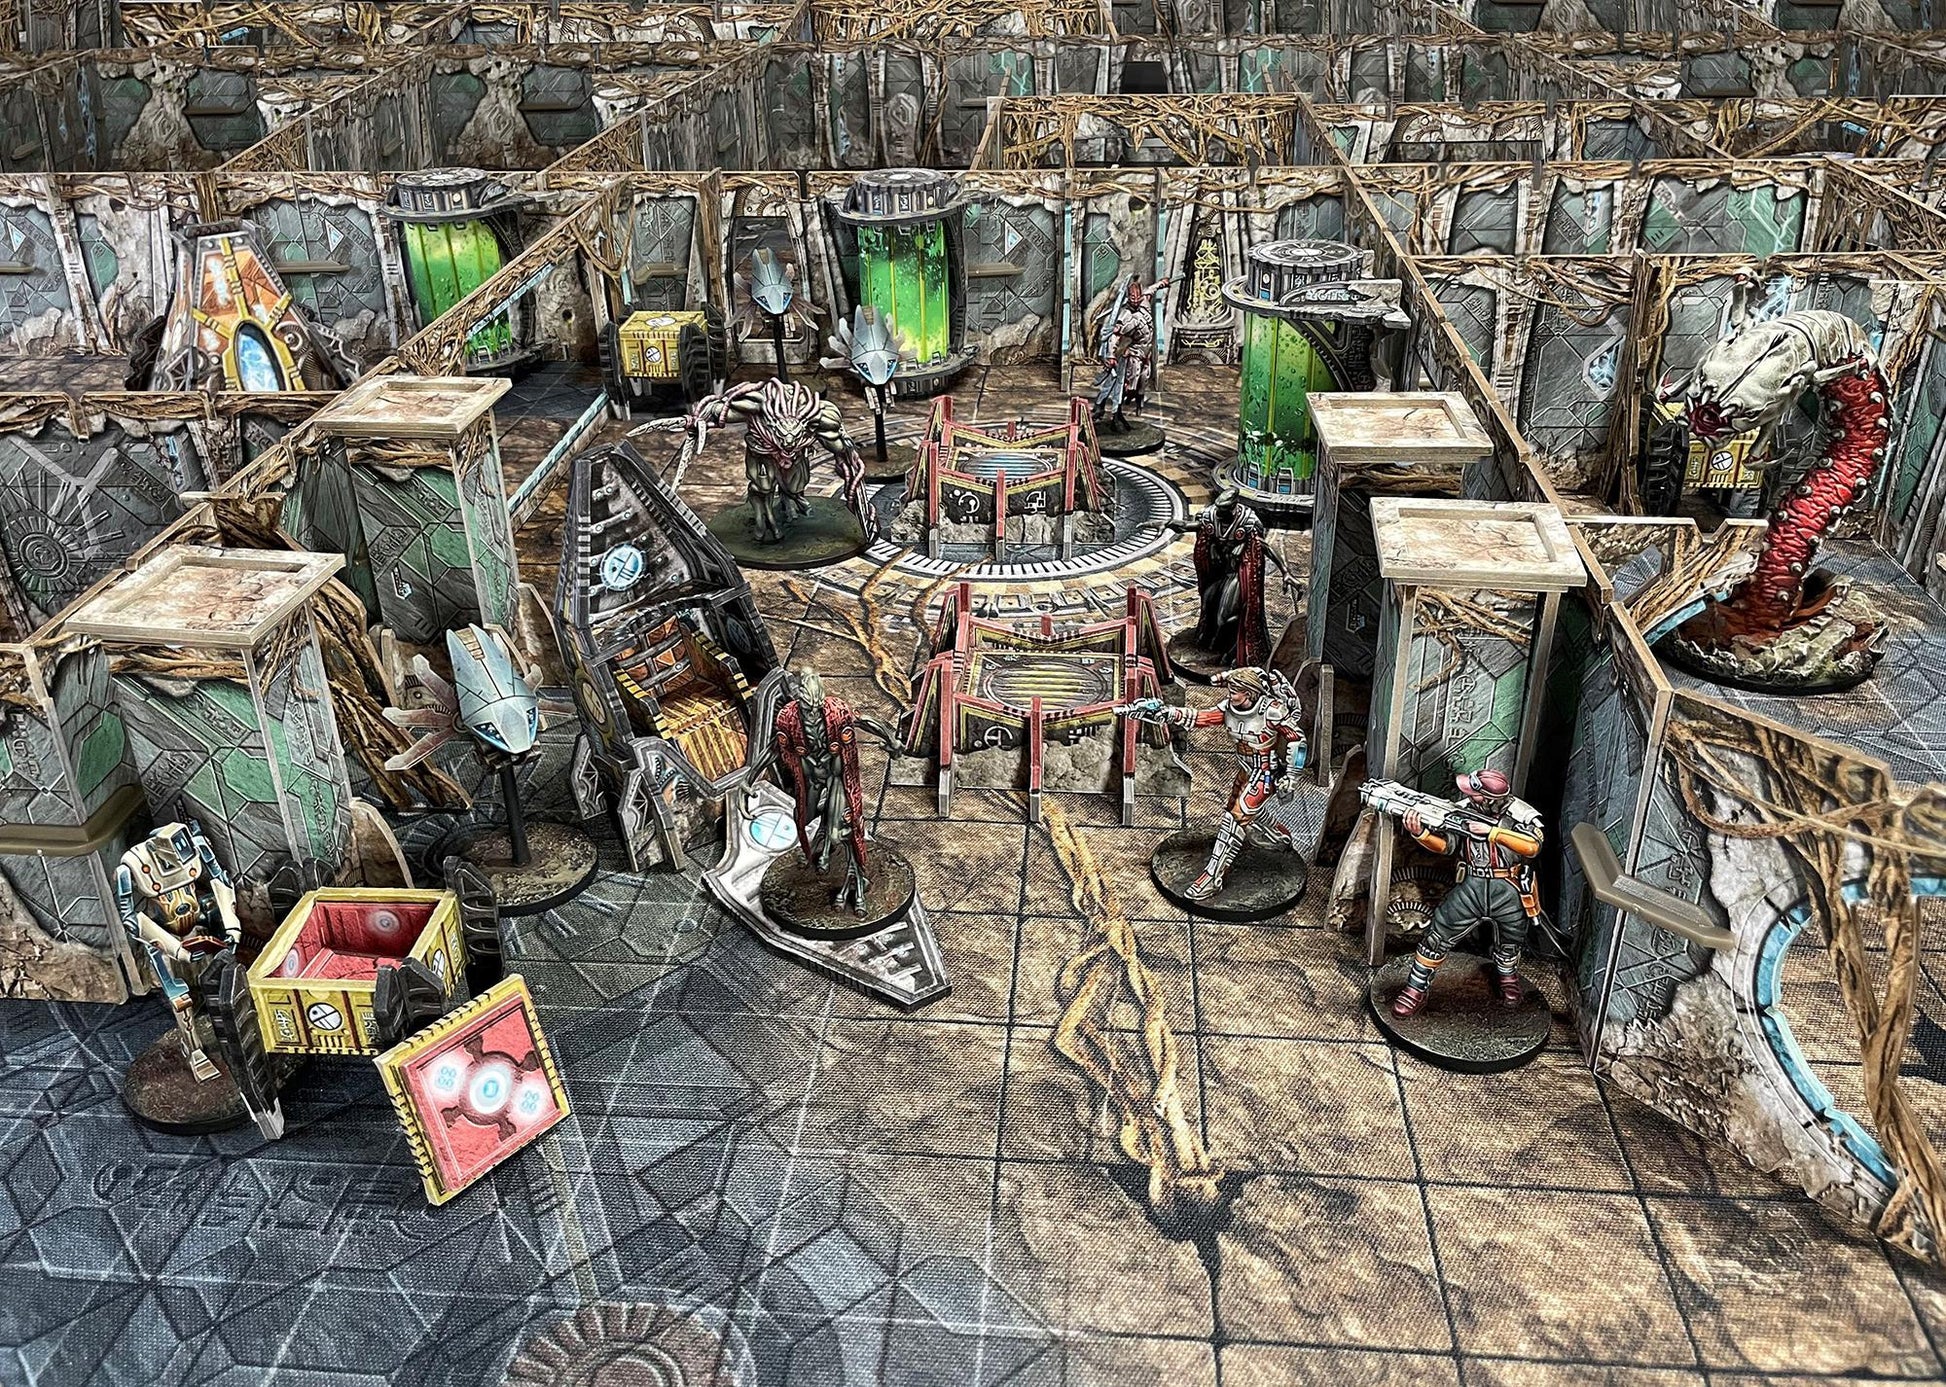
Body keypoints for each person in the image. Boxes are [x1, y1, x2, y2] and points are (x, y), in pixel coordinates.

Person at [1118, 667, 1306, 900]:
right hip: (1246, 770)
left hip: (1265, 772)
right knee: (1242, 811)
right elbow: (1200, 718)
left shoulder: (1272, 711)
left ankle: (1212, 878)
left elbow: (1297, 740)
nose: (1230, 694)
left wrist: (1292, 776)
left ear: (1249, 693)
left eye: (1235, 691)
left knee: (1234, 819)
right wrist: (1165, 713)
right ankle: (1278, 835)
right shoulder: (1229, 708)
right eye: (1230, 689)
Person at [1393, 769, 1544, 1018]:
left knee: (1512, 938)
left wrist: (1492, 833)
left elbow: (1532, 847)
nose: (1469, 797)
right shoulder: (1463, 811)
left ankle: (1508, 978)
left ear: (1490, 799)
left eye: (1475, 794)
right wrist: (1421, 834)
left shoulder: (1519, 814)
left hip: (1508, 888)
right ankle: (1415, 988)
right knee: (1438, 934)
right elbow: (1446, 846)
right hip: (1472, 885)